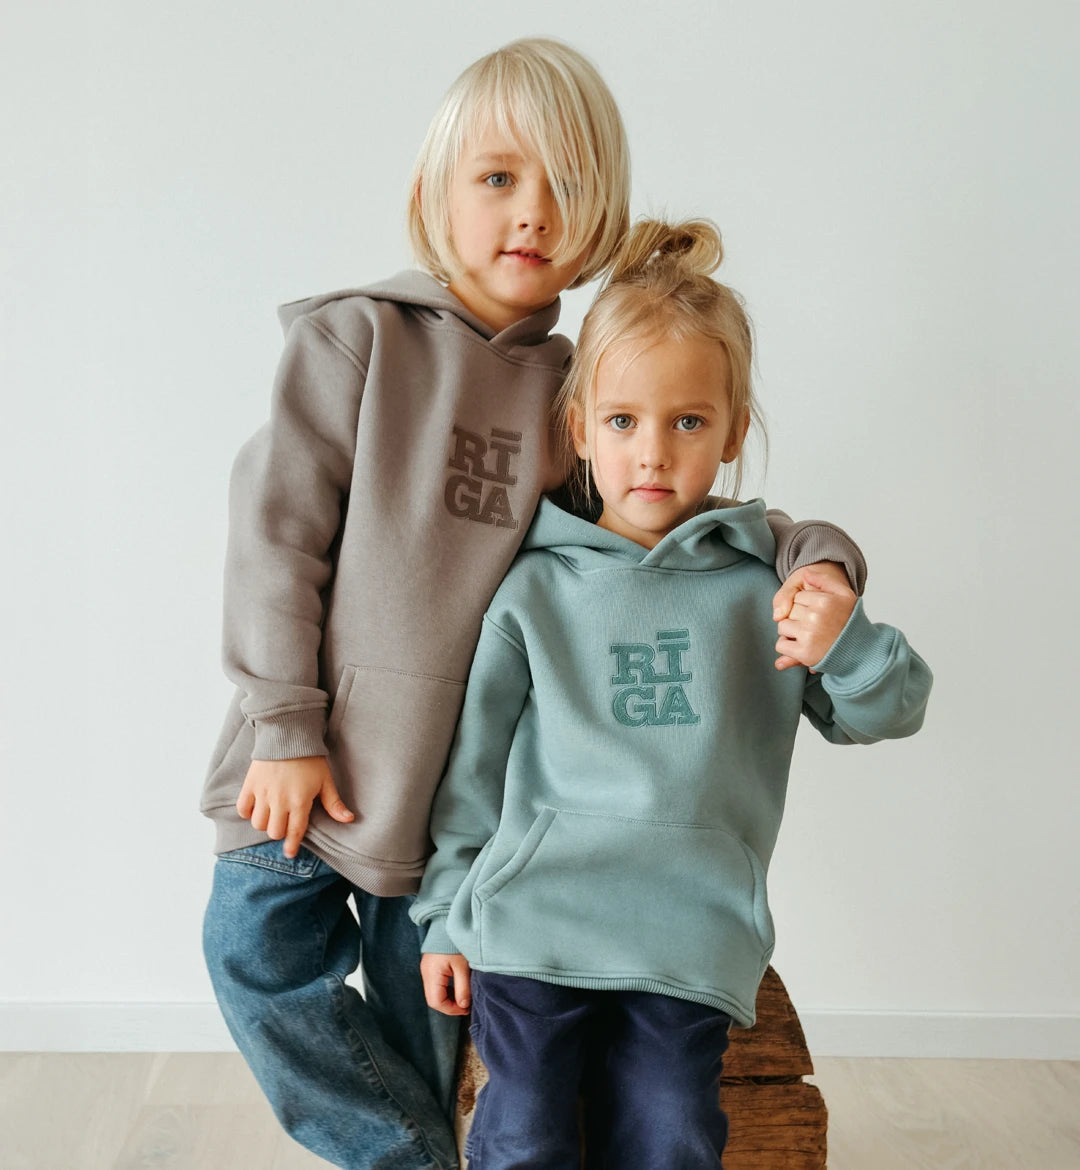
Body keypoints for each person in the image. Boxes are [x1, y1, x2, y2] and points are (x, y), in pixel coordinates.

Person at [201, 38, 868, 1170]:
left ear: (602, 217)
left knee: (436, 1031)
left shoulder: (578, 392)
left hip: (453, 805)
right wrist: (283, 725)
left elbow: (683, 518)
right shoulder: (358, 340)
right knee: (253, 960)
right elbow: (276, 537)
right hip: (311, 766)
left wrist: (825, 560)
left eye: (566, 186)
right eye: (499, 178)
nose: (532, 212)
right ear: (435, 195)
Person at [413, 218, 932, 1170]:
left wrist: (846, 640)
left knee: (673, 1133)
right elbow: (472, 772)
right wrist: (446, 915)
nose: (652, 452)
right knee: (522, 1129)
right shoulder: (532, 588)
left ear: (732, 432)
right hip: (535, 919)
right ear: (579, 428)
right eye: (623, 421)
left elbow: (887, 712)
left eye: (687, 422)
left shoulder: (766, 589)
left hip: (689, 931)